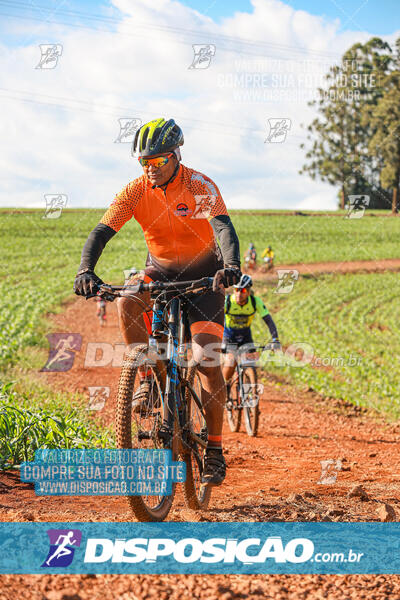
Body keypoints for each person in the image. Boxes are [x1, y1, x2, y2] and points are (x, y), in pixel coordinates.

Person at [73, 117, 241, 486]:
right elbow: (101, 232)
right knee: (127, 299)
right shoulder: (135, 191)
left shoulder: (199, 185)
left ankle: (214, 451)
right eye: (143, 163)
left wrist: (231, 267)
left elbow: (223, 226)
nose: (150, 169)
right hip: (160, 272)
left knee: (206, 360)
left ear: (176, 155)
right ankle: (148, 375)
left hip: (204, 276)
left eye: (158, 162)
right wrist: (86, 270)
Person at [221, 274, 281, 388]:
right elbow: (215, 319)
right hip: (228, 336)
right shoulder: (227, 301)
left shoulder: (255, 302)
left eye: (242, 290)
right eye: (236, 290)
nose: (239, 293)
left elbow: (269, 321)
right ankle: (224, 387)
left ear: (248, 292)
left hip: (245, 336)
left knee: (250, 361)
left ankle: (253, 394)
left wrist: (275, 340)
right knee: (231, 360)